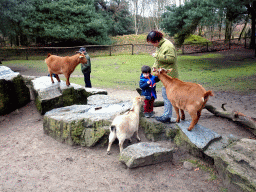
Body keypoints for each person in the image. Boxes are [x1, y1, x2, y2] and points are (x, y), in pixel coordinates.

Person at [147, 30, 179, 123]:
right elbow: (158, 60)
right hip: (163, 75)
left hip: (170, 76)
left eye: (152, 43)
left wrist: (157, 55)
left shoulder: (168, 46)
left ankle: (167, 116)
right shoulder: (160, 45)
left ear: (156, 40)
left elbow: (172, 59)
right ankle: (167, 115)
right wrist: (154, 67)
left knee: (167, 96)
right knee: (166, 95)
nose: (153, 45)